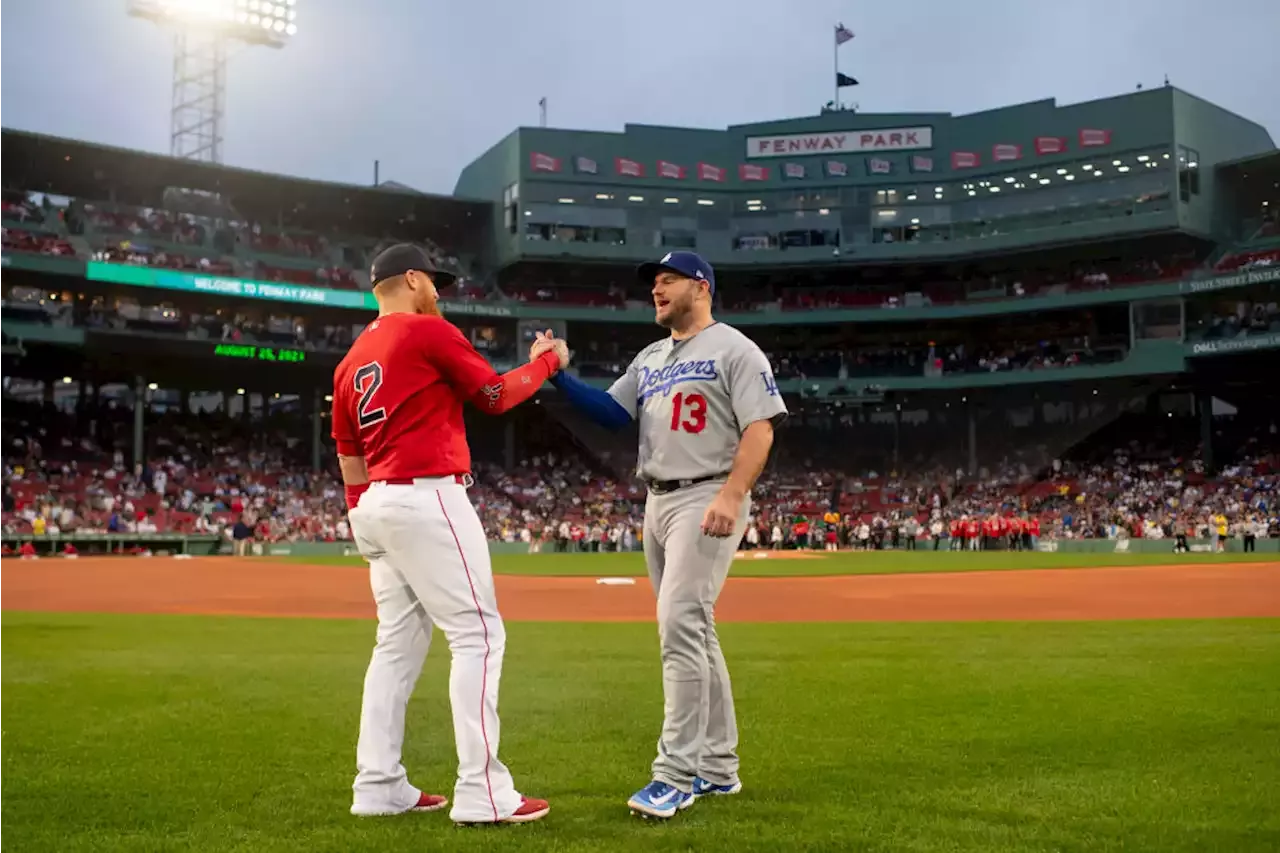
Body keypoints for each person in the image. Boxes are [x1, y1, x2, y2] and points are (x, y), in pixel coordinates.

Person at [535, 250, 787, 819]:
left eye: (668, 280)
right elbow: (610, 414)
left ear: (701, 287)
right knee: (697, 632)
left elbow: (761, 428)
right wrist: (558, 375)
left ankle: (673, 775)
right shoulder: (650, 356)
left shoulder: (734, 348)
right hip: (657, 500)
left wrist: (732, 494)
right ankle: (719, 769)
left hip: (707, 492)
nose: (657, 289)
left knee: (678, 628)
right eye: (654, 282)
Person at [332, 243, 559, 825]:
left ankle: (377, 783)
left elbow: (349, 456)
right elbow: (494, 395)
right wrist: (545, 364)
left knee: (395, 647)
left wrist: (361, 518)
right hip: (427, 494)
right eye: (435, 281)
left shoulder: (351, 360)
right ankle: (483, 791)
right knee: (478, 636)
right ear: (412, 279)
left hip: (377, 503)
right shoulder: (427, 332)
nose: (440, 291)